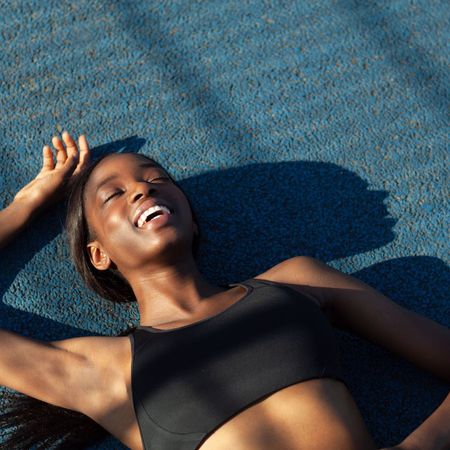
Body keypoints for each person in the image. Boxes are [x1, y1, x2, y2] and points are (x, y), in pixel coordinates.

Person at [0, 131, 449, 450]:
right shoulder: (104, 371)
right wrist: (28, 203)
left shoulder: (299, 282)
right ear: (99, 255)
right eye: (112, 195)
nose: (141, 187)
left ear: (192, 219)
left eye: (156, 179)